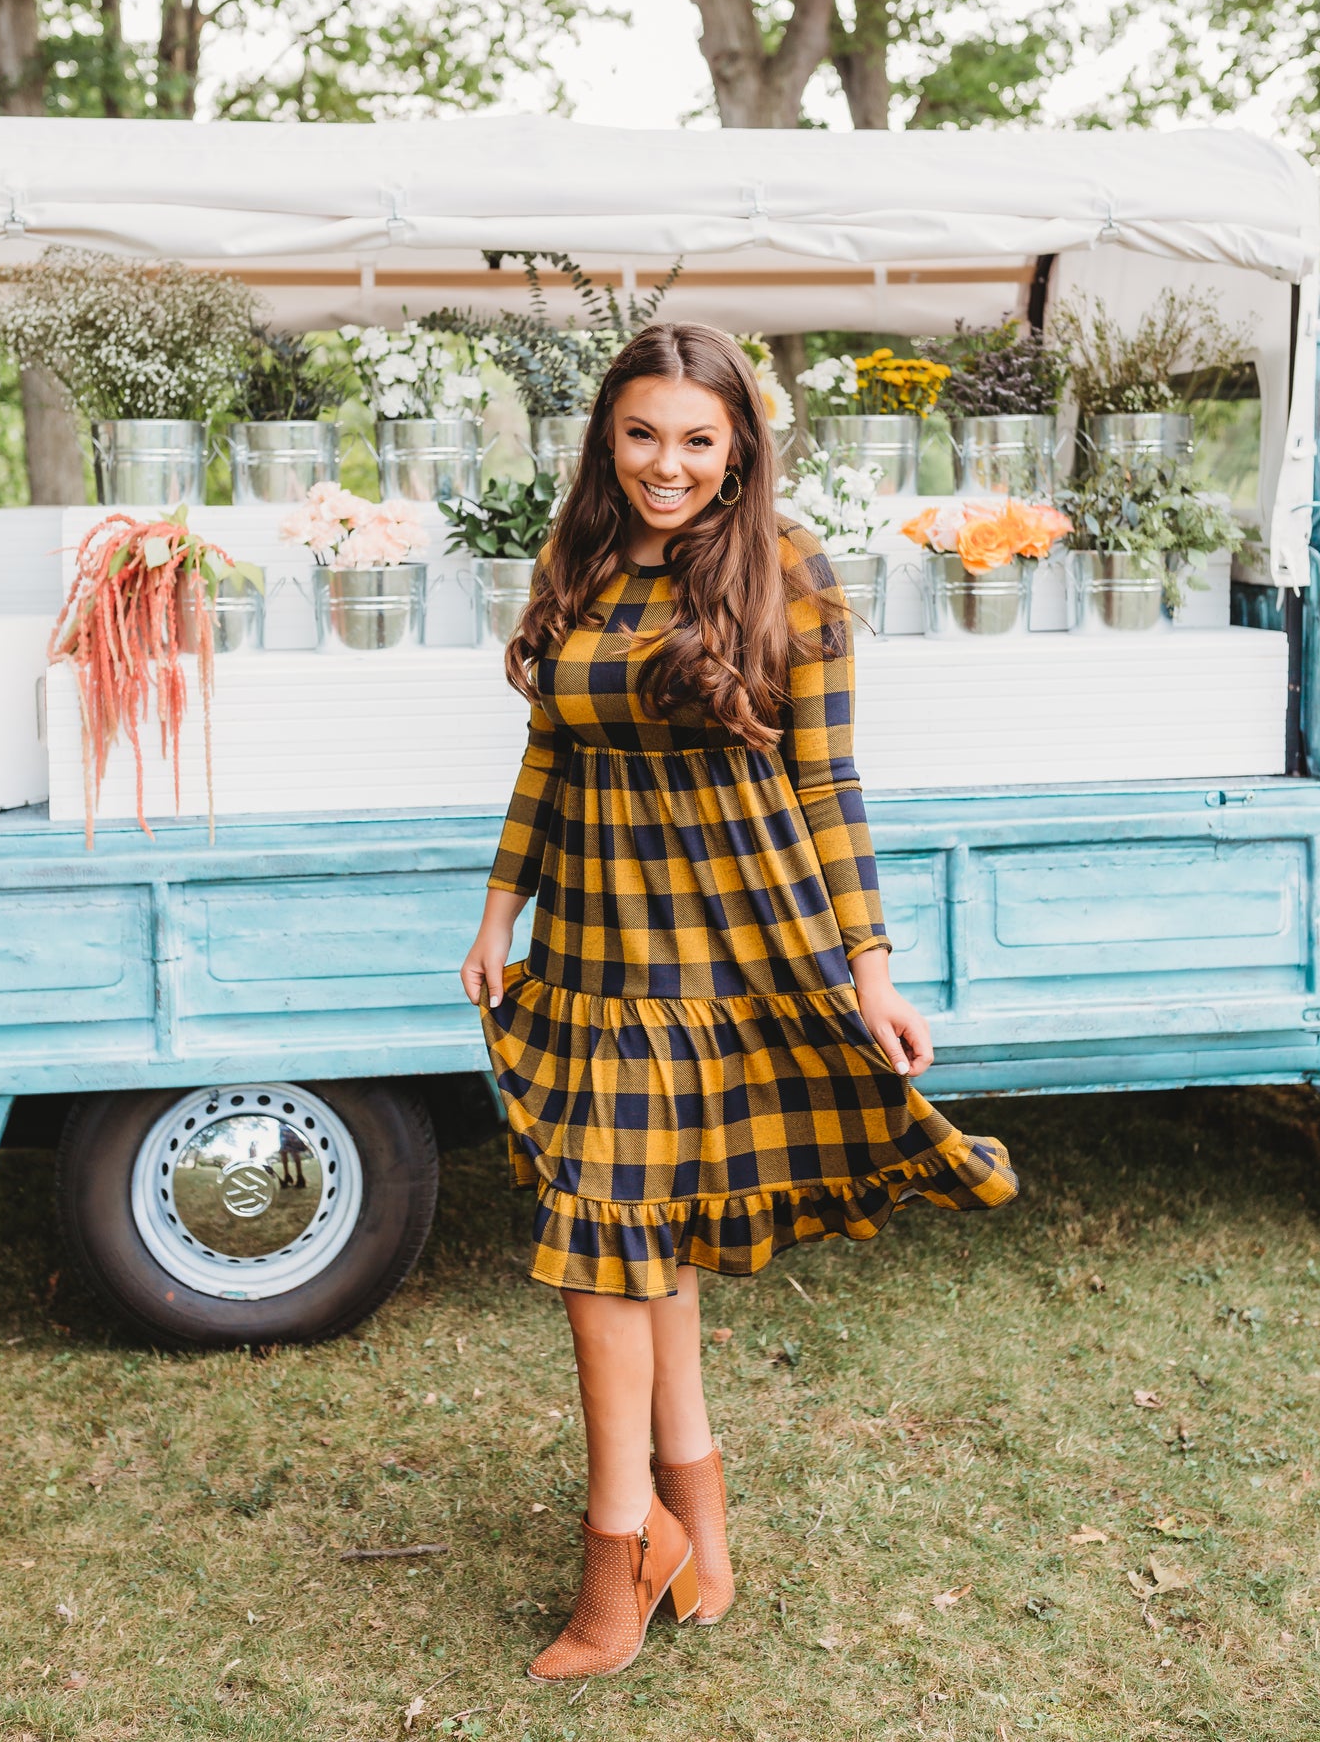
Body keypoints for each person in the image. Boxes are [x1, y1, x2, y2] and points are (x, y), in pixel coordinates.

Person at [460, 322, 1017, 1683]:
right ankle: (691, 1527)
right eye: (642, 434)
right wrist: (498, 910)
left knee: (610, 1239)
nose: (667, 465)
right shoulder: (574, 564)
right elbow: (550, 755)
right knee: (632, 1232)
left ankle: (624, 1551)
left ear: (740, 447)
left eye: (697, 441)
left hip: (737, 940)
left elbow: (829, 783)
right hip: (597, 948)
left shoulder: (784, 573)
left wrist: (871, 970)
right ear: (608, 437)